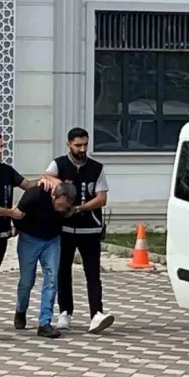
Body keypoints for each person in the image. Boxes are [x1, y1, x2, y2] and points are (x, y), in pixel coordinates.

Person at [0, 130, 59, 340]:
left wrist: (46, 180)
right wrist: (10, 213)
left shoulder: (6, 171)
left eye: (1, 147)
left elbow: (27, 185)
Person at [45, 127, 115, 334]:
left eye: (85, 144)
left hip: (90, 229)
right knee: (63, 271)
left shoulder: (96, 168)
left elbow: (101, 198)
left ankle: (96, 314)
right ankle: (65, 312)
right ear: (69, 144)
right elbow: (46, 176)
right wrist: (58, 184)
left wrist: (80, 208)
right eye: (78, 145)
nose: (82, 149)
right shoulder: (59, 164)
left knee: (93, 273)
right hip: (64, 229)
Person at [12, 182, 77, 339]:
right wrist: (17, 228)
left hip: (52, 240)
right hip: (29, 238)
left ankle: (45, 323)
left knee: (52, 278)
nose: (62, 209)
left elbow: (67, 218)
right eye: (61, 205)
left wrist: (67, 213)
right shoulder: (35, 195)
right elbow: (17, 214)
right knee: (27, 281)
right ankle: (21, 310)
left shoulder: (67, 207)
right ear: (56, 195)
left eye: (66, 207)